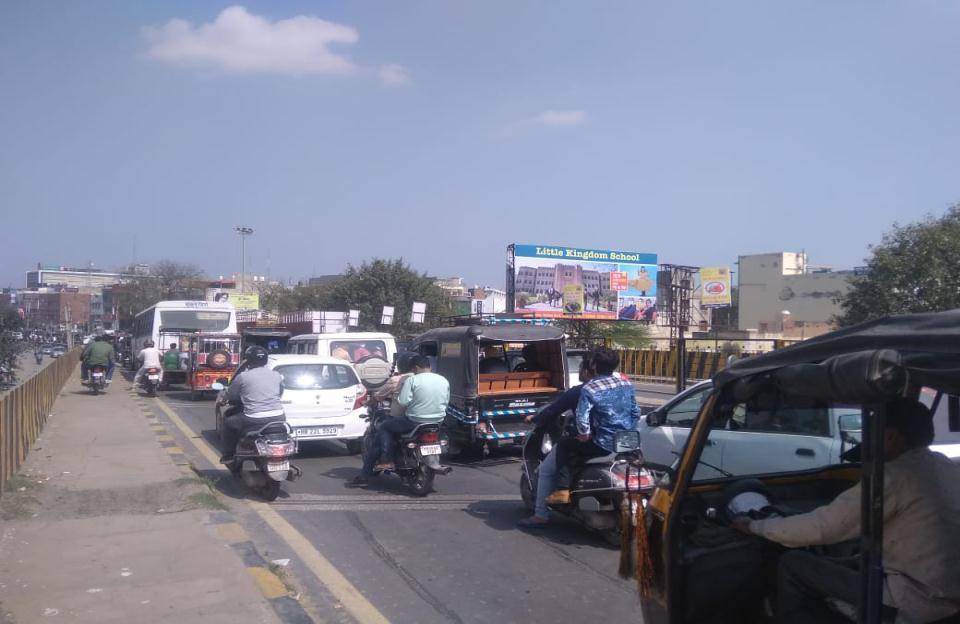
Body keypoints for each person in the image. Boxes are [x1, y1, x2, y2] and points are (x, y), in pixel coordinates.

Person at [732, 399, 960, 624]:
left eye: (872, 433)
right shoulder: (946, 466)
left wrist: (754, 526)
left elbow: (822, 528)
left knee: (793, 564)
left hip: (914, 600)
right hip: (947, 593)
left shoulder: (893, 476)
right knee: (848, 561)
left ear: (890, 437)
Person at [545, 348, 639, 505]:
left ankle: (562, 490)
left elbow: (582, 416)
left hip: (603, 444)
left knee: (564, 445)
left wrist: (585, 434)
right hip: (628, 441)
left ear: (594, 366)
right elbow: (635, 411)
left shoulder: (590, 388)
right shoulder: (625, 382)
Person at [518, 353, 597, 528]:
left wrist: (535, 418)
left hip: (589, 441)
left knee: (547, 468)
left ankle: (541, 514)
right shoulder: (621, 387)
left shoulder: (581, 391)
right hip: (616, 441)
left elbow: (553, 410)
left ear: (587, 371)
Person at [348, 355, 449, 487]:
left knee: (384, 427)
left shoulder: (412, 380)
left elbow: (403, 401)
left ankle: (386, 459)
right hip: (437, 422)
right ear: (429, 366)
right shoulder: (443, 380)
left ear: (416, 368)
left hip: (414, 421)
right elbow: (446, 401)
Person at [219, 346, 285, 463]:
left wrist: (223, 400)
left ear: (248, 360)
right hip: (279, 416)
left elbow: (231, 394)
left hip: (254, 418)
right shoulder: (276, 375)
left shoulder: (243, 376)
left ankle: (228, 454)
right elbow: (280, 392)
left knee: (228, 423)